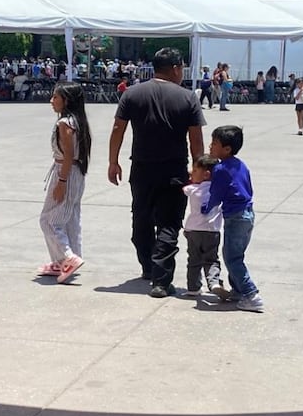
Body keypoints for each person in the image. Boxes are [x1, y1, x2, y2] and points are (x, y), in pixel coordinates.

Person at [108, 47, 206, 297]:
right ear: (175, 68)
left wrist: (113, 161)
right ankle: (161, 280)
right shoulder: (188, 98)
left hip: (141, 168)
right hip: (174, 170)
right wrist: (200, 170)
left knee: (141, 217)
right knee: (169, 223)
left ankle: (148, 266)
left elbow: (118, 128)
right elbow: (196, 140)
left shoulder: (132, 93)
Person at [202, 125, 263, 313]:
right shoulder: (241, 165)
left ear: (226, 149)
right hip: (247, 214)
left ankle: (251, 294)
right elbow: (247, 188)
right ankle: (238, 290)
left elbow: (216, 194)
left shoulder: (220, 169)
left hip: (235, 217)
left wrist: (206, 208)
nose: (210, 147)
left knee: (232, 258)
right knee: (236, 255)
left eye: (214, 144)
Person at [37, 83, 92, 284]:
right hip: (76, 173)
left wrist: (61, 181)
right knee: (70, 219)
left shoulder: (65, 124)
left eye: (55, 98)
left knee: (49, 220)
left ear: (66, 100)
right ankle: (63, 261)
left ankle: (68, 256)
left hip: (66, 172)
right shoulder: (79, 122)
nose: (52, 101)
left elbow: (68, 154)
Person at [181, 155, 223, 298]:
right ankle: (214, 282)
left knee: (193, 260)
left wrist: (188, 178)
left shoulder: (192, 189)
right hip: (212, 231)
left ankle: (193, 288)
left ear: (206, 174)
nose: (192, 173)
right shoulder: (218, 190)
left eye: (195, 170)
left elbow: (184, 187)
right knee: (211, 260)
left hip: (192, 231)